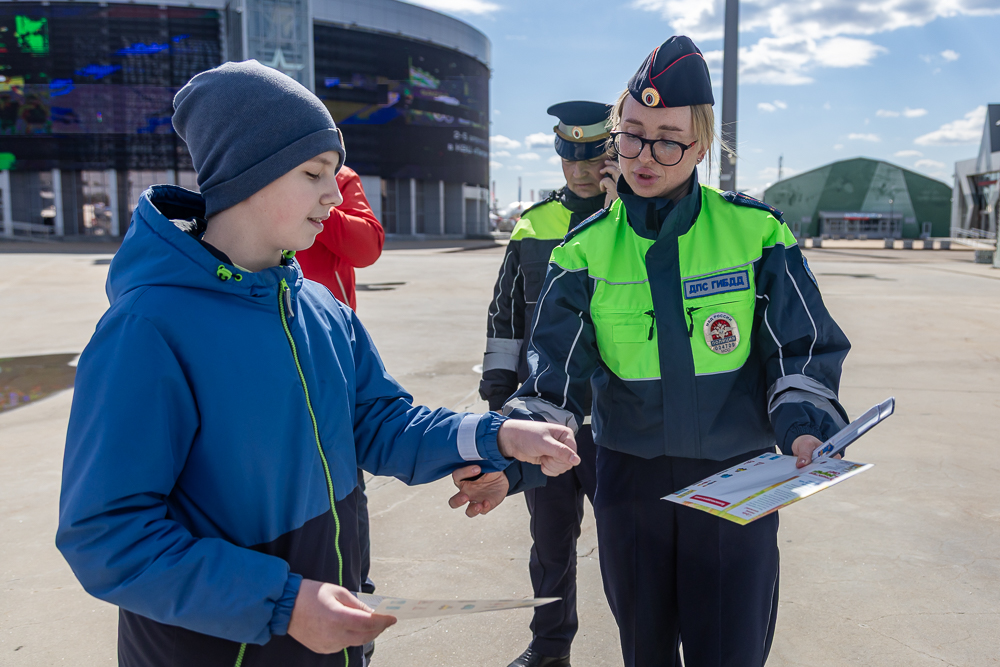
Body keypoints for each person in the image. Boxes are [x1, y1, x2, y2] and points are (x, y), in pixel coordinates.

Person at [55, 60, 580, 667]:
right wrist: (282, 603)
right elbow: (108, 534)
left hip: (327, 635)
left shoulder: (321, 307)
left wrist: (497, 435)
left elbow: (380, 422)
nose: (335, 194)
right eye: (314, 173)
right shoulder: (148, 329)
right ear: (247, 175)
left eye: (334, 172)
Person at [451, 36, 851, 667]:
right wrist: (510, 459)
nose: (644, 156)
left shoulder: (757, 233)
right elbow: (553, 383)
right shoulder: (582, 251)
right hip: (630, 488)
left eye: (668, 140)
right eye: (632, 135)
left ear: (701, 146)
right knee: (645, 651)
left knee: (731, 652)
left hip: (736, 481)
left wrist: (805, 429)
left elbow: (800, 350)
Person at [479, 101, 617, 667]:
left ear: (613, 151)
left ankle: (646, 643)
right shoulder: (533, 224)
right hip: (545, 421)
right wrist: (499, 404)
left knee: (630, 546)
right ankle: (550, 647)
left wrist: (622, 206)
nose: (580, 171)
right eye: (569, 159)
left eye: (593, 158)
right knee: (551, 543)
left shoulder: (636, 219)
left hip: (618, 421)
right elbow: (505, 318)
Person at [296, 159, 385, 662]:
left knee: (343, 483)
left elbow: (366, 247)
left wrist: (314, 199)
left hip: (328, 355)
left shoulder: (340, 181)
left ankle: (354, 590)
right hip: (266, 350)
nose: (326, 189)